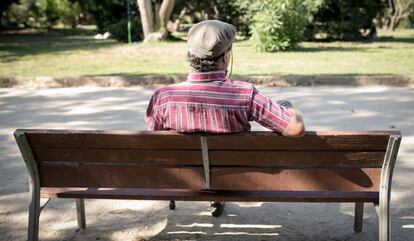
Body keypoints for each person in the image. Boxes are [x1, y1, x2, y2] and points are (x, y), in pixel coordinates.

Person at [145, 20, 305, 217]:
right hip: (234, 177)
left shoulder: (163, 97)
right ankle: (216, 190)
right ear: (226, 57)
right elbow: (295, 129)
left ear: (190, 55)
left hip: (184, 177)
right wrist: (288, 107)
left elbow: (156, 139)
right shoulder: (245, 94)